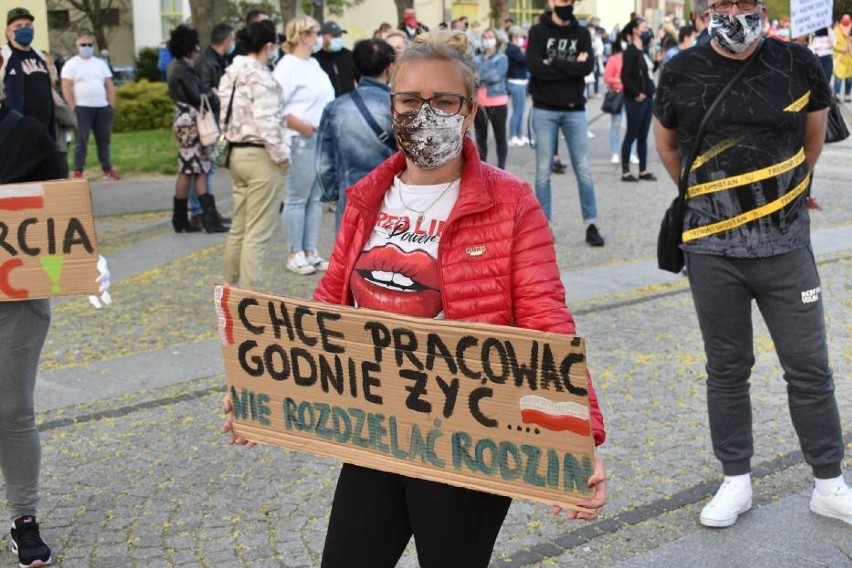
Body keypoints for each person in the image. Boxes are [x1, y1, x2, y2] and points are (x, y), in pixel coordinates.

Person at [222, 30, 607, 568]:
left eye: (443, 101)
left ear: (469, 111)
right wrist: (262, 380)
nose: (425, 113)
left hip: (469, 439)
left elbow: (546, 317)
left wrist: (579, 435)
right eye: (409, 100)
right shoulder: (365, 198)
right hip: (377, 428)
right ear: (391, 104)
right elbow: (327, 309)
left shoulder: (510, 201)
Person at [654, 0, 852, 529]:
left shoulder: (800, 63)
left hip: (785, 247)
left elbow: (814, 141)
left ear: (762, 8)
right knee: (726, 369)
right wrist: (714, 203)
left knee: (810, 368)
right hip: (711, 250)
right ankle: (735, 480)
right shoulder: (680, 70)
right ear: (707, 11)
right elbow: (668, 147)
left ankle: (829, 483)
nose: (737, 13)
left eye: (747, 3)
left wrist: (776, 199)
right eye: (724, 4)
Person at [0, 76, 111, 568]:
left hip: (17, 299)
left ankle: (24, 519)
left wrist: (85, 260)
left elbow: (59, 214)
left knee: (12, 409)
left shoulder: (28, 135)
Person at [527, 0, 605, 247]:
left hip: (575, 110)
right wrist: (572, 66)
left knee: (583, 170)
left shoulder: (581, 33)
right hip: (544, 109)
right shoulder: (538, 32)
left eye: (571, 1)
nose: (567, 4)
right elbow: (536, 68)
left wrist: (554, 63)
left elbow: (588, 67)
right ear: (551, 2)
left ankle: (591, 223)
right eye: (562, 1)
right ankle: (544, 226)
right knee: (542, 173)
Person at [219, 20, 289, 290]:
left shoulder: (230, 73)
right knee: (257, 231)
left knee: (239, 225)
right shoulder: (262, 77)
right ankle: (250, 295)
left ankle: (229, 284)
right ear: (268, 46)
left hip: (236, 153)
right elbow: (267, 124)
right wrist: (283, 158)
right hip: (261, 155)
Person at [273, 16, 335, 275]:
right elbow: (276, 105)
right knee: (297, 198)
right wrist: (301, 125)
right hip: (300, 138)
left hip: (320, 138)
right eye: (315, 32)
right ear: (301, 35)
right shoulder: (287, 66)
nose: (319, 37)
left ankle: (310, 250)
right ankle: (294, 252)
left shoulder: (314, 64)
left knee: (316, 199)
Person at [317, 38, 396, 232]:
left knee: (350, 257)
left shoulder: (335, 108)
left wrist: (332, 194)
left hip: (350, 200)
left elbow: (323, 164)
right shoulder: (399, 106)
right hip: (392, 200)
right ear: (389, 67)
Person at [166, 24, 228, 234]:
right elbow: (196, 96)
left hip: (183, 120)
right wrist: (211, 93)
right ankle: (209, 218)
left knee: (187, 169)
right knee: (201, 168)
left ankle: (180, 217)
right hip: (194, 122)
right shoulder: (185, 70)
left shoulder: (174, 67)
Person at [190, 22, 235, 229]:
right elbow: (203, 91)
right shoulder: (206, 62)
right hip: (210, 122)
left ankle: (205, 209)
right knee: (206, 166)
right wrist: (220, 98)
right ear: (226, 40)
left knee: (208, 167)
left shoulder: (217, 59)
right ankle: (202, 210)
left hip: (218, 120)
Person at [61, 33, 119, 180]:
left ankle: (107, 168)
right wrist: (73, 106)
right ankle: (78, 171)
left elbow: (109, 85)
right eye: (83, 45)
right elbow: (66, 86)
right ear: (77, 46)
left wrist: (111, 105)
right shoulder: (71, 64)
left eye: (89, 45)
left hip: (102, 107)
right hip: (82, 108)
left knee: (104, 141)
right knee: (82, 141)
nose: (86, 47)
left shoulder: (100, 63)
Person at [0, 8, 55, 139]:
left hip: (44, 128)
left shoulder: (40, 55)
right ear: (8, 32)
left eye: (28, 25)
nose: (24, 29)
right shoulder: (3, 54)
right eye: (18, 26)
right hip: (16, 130)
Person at [619, 18, 656, 182]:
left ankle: (643, 170)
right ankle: (625, 172)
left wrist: (658, 62)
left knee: (643, 136)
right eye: (644, 27)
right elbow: (625, 75)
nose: (647, 30)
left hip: (648, 99)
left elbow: (646, 73)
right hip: (636, 101)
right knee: (631, 136)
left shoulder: (643, 51)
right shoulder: (630, 51)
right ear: (635, 30)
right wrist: (636, 93)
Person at [473, 27, 509, 169]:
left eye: (490, 36)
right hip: (480, 103)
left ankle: (501, 169)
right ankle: (483, 168)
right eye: (485, 37)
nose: (488, 40)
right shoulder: (476, 58)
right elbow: (471, 77)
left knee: (500, 137)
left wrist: (479, 77)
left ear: (497, 40)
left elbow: (497, 76)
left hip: (498, 102)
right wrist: (480, 77)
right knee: (481, 139)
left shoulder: (502, 58)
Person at [602, 38, 638, 165]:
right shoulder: (613, 59)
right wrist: (621, 81)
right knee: (616, 125)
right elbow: (607, 77)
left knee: (633, 126)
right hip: (619, 95)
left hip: (632, 95)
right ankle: (615, 152)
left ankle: (632, 153)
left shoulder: (635, 58)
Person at [44, 52, 76, 179]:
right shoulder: (50, 92)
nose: (54, 69)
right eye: (51, 65)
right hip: (56, 145)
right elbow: (68, 118)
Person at [314, 21, 358, 98]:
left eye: (339, 35)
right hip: (327, 105)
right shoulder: (315, 60)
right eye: (334, 36)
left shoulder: (350, 56)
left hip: (349, 104)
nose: (338, 38)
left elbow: (361, 79)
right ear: (323, 36)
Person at [505, 26, 529, 147]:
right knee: (517, 111)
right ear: (514, 37)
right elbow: (524, 60)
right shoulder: (511, 49)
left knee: (521, 110)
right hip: (515, 82)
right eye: (520, 37)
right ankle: (513, 135)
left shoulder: (516, 49)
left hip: (521, 82)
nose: (522, 39)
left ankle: (519, 134)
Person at [832, 15, 852, 102]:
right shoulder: (836, 31)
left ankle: (847, 95)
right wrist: (842, 49)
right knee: (838, 77)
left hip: (850, 58)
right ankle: (837, 95)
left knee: (849, 78)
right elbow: (833, 44)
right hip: (840, 58)